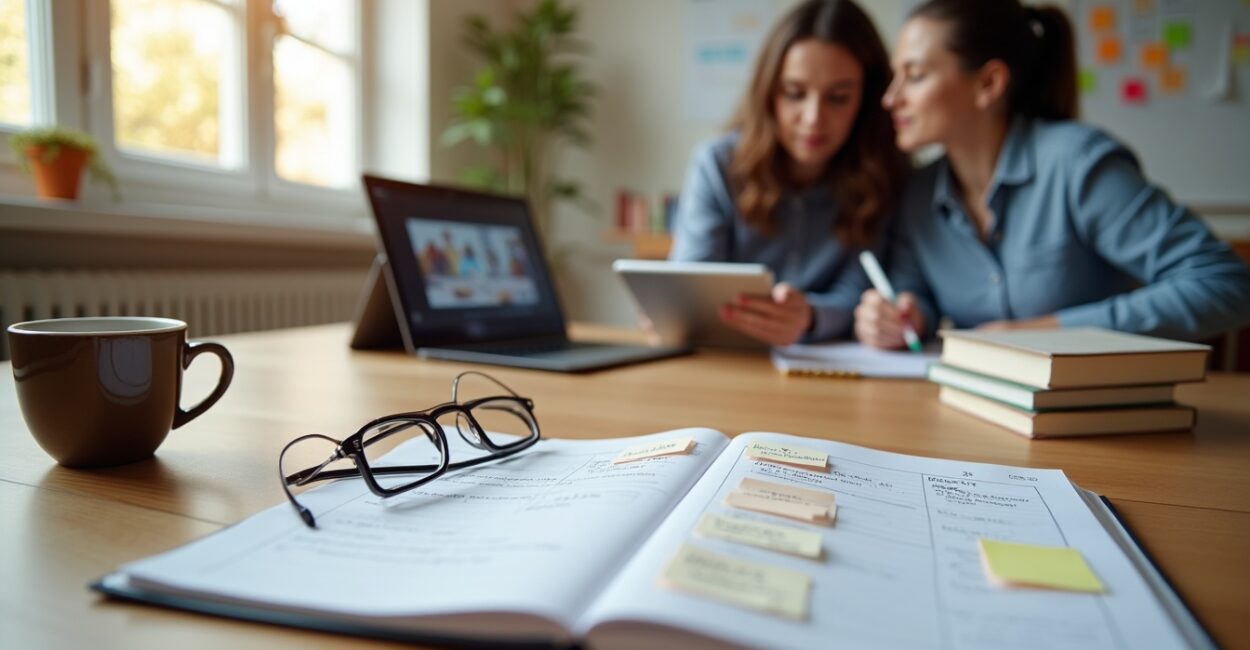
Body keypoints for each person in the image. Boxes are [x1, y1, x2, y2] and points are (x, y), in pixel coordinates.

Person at [855, 0, 1250, 349]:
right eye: (895, 76)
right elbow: (915, 297)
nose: (891, 99)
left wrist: (1047, 331)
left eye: (916, 75)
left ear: (989, 83)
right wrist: (900, 319)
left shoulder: (1077, 164)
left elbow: (1225, 284)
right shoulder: (918, 193)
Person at [668, 0, 910, 346]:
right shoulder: (718, 164)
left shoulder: (885, 175)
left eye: (838, 97)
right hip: (728, 361)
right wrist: (673, 312)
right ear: (769, 92)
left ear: (867, 100)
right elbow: (691, 284)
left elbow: (861, 292)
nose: (813, 118)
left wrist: (809, 317)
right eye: (795, 93)